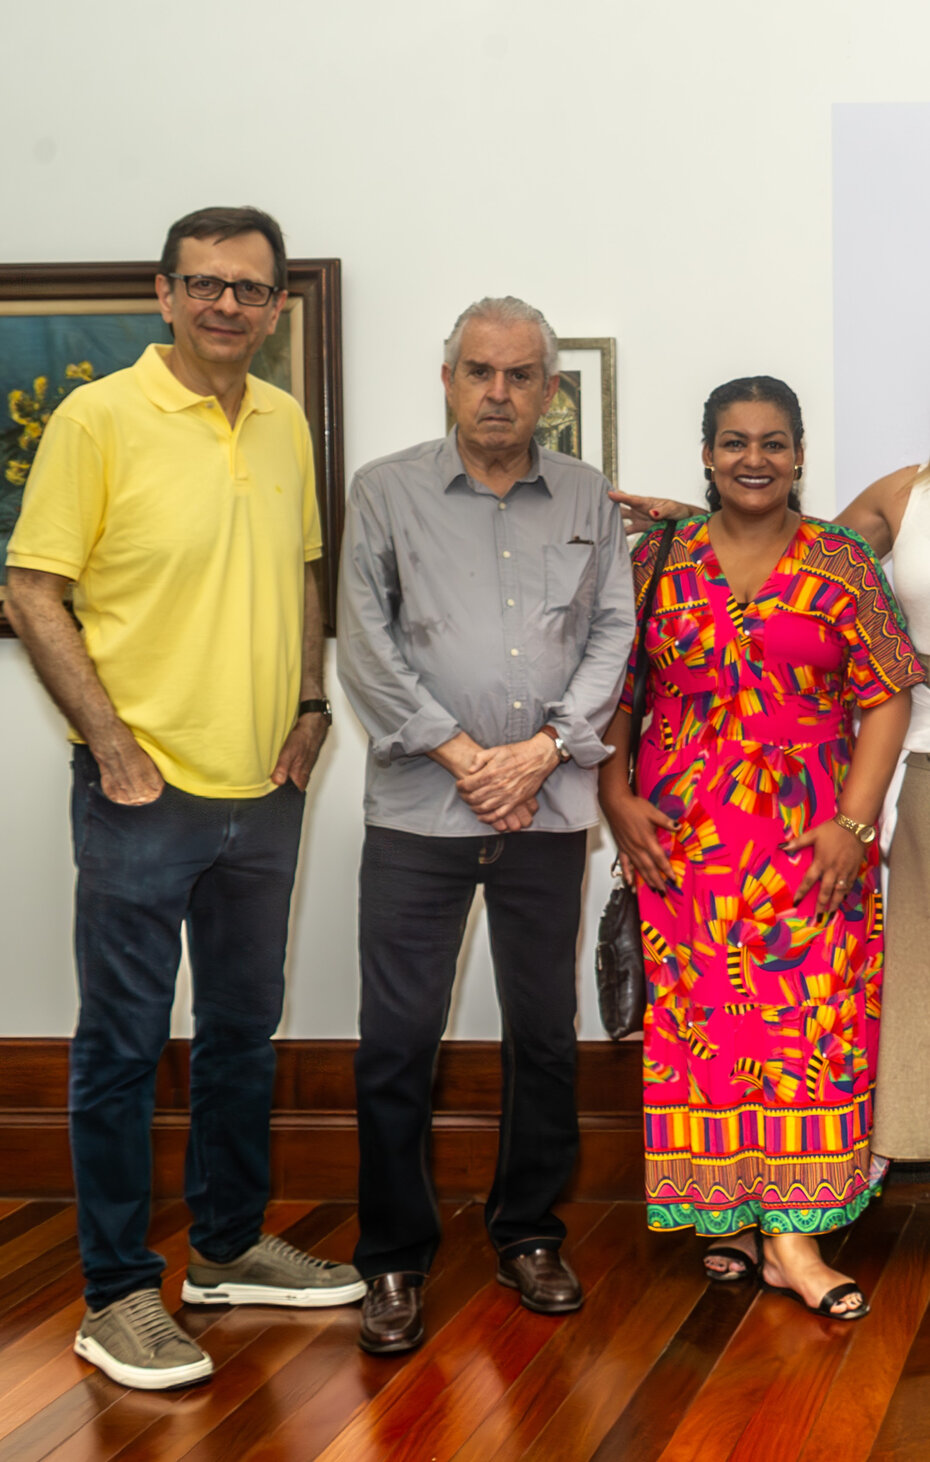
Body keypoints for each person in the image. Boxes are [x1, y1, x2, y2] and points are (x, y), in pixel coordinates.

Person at [4, 206, 364, 1391]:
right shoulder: (97, 416)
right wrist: (107, 740)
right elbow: (32, 589)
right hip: (139, 786)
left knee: (241, 1035)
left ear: (271, 308)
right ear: (163, 294)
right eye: (204, 284)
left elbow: (306, 576)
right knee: (118, 1044)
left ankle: (222, 1249)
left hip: (265, 786)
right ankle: (115, 1294)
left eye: (248, 290)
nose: (226, 305)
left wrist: (312, 709)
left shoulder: (280, 422)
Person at [337, 295, 635, 1354]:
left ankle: (529, 1232)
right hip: (423, 809)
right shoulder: (384, 491)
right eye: (479, 371)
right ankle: (393, 1258)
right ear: (449, 379)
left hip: (549, 808)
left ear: (549, 392)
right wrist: (465, 757)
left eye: (519, 375)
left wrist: (545, 751)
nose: (498, 392)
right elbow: (364, 647)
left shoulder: (590, 496)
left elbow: (613, 633)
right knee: (396, 1043)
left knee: (546, 1036)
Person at [598, 377, 922, 1317]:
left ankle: (793, 1236)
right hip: (683, 842)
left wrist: (855, 827)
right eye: (734, 442)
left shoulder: (837, 564)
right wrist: (615, 797)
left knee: (806, 1032)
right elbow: (618, 689)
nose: (754, 459)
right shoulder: (657, 559)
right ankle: (729, 1216)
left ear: (800, 455)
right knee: (707, 1031)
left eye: (773, 443)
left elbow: (887, 692)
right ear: (705, 454)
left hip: (811, 839)